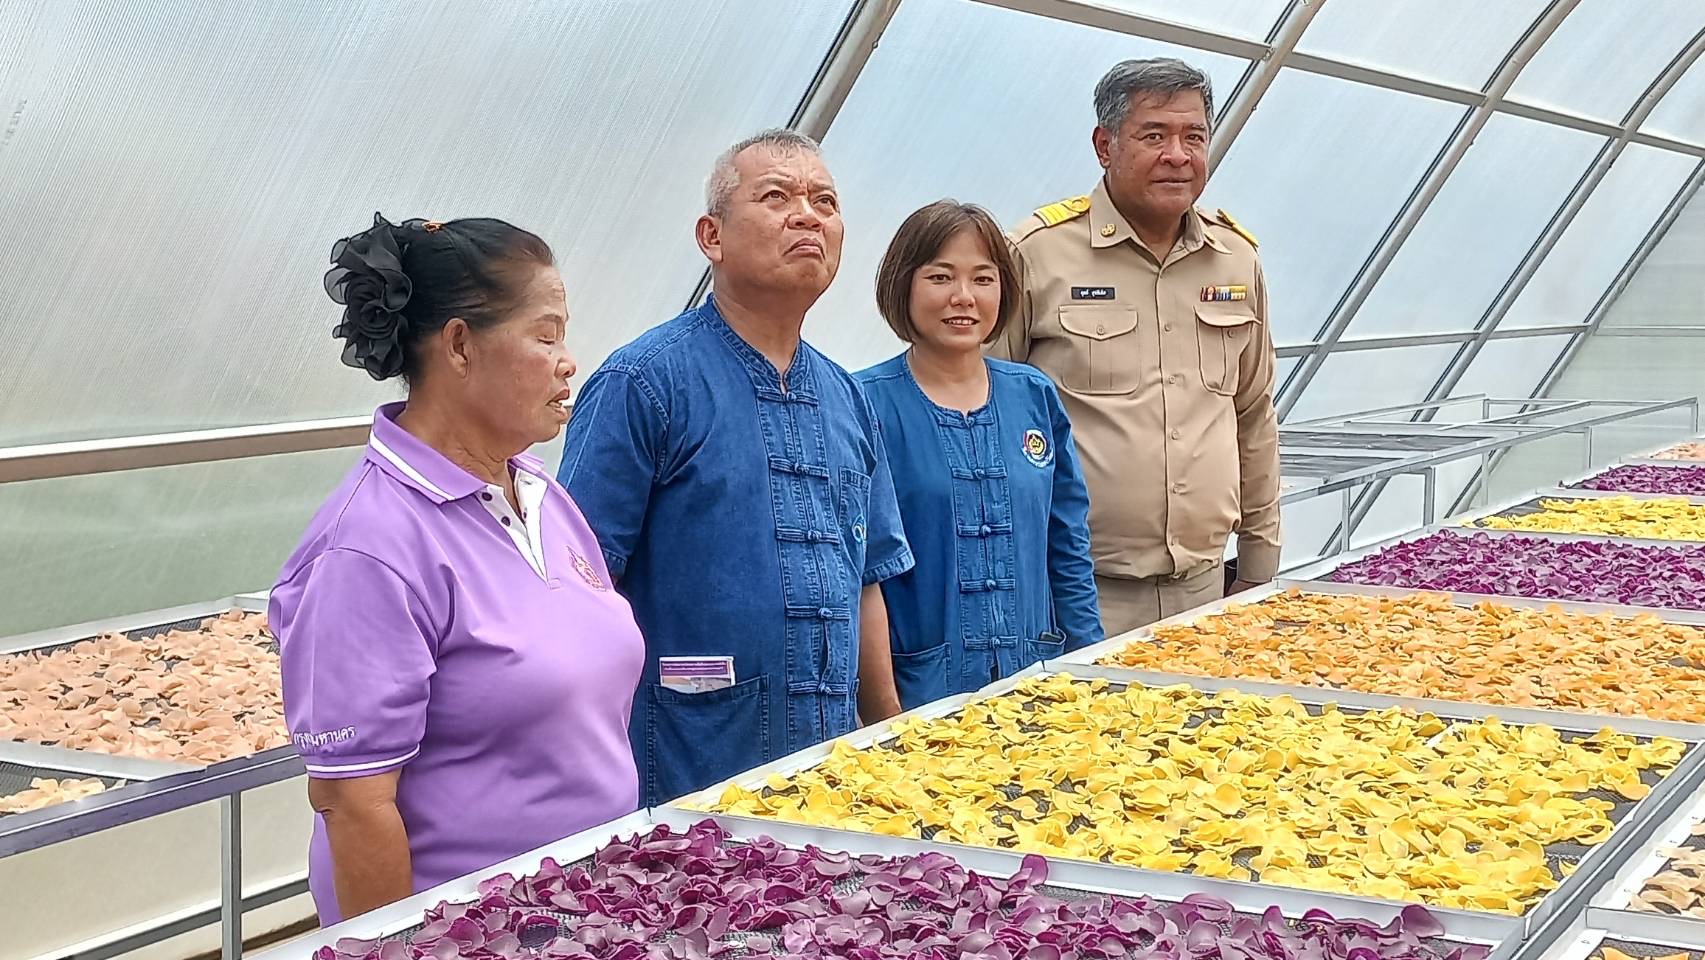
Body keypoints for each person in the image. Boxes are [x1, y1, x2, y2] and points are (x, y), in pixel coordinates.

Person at [269, 214, 644, 925]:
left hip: (585, 910)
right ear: (461, 346)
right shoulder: (371, 546)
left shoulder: (539, 493)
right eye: (546, 333)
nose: (568, 360)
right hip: (469, 929)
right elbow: (354, 801)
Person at [558, 130, 913, 807]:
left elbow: (867, 578)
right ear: (711, 236)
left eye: (824, 200)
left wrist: (887, 735)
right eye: (776, 196)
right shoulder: (644, 383)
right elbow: (580, 587)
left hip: (829, 770)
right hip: (684, 766)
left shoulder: (848, 398)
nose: (807, 215)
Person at [987, 57, 1281, 635]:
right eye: (1155, 135)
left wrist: (1258, 563)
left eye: (1194, 136)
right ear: (1105, 145)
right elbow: (984, 416)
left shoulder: (1236, 259)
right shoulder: (1036, 255)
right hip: (1072, 592)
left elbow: (1253, 416)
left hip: (1207, 589)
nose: (1179, 154)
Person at [854, 201, 1102, 709]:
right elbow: (859, 575)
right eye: (941, 277)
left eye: (983, 279)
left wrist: (1090, 668)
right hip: (920, 695)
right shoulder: (865, 404)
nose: (963, 298)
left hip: (1036, 687)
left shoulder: (1032, 395)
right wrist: (881, 713)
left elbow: (1067, 544)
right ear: (903, 285)